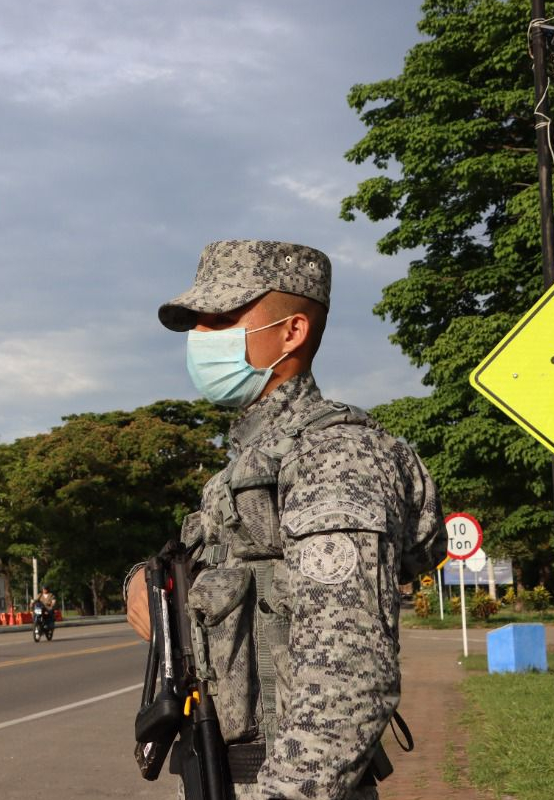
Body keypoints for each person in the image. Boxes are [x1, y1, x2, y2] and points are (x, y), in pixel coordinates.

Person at [127, 240, 446, 800]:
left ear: (292, 333)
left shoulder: (335, 457)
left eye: (222, 319)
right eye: (197, 323)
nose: (201, 337)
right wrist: (153, 588)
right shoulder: (245, 466)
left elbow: (348, 675)